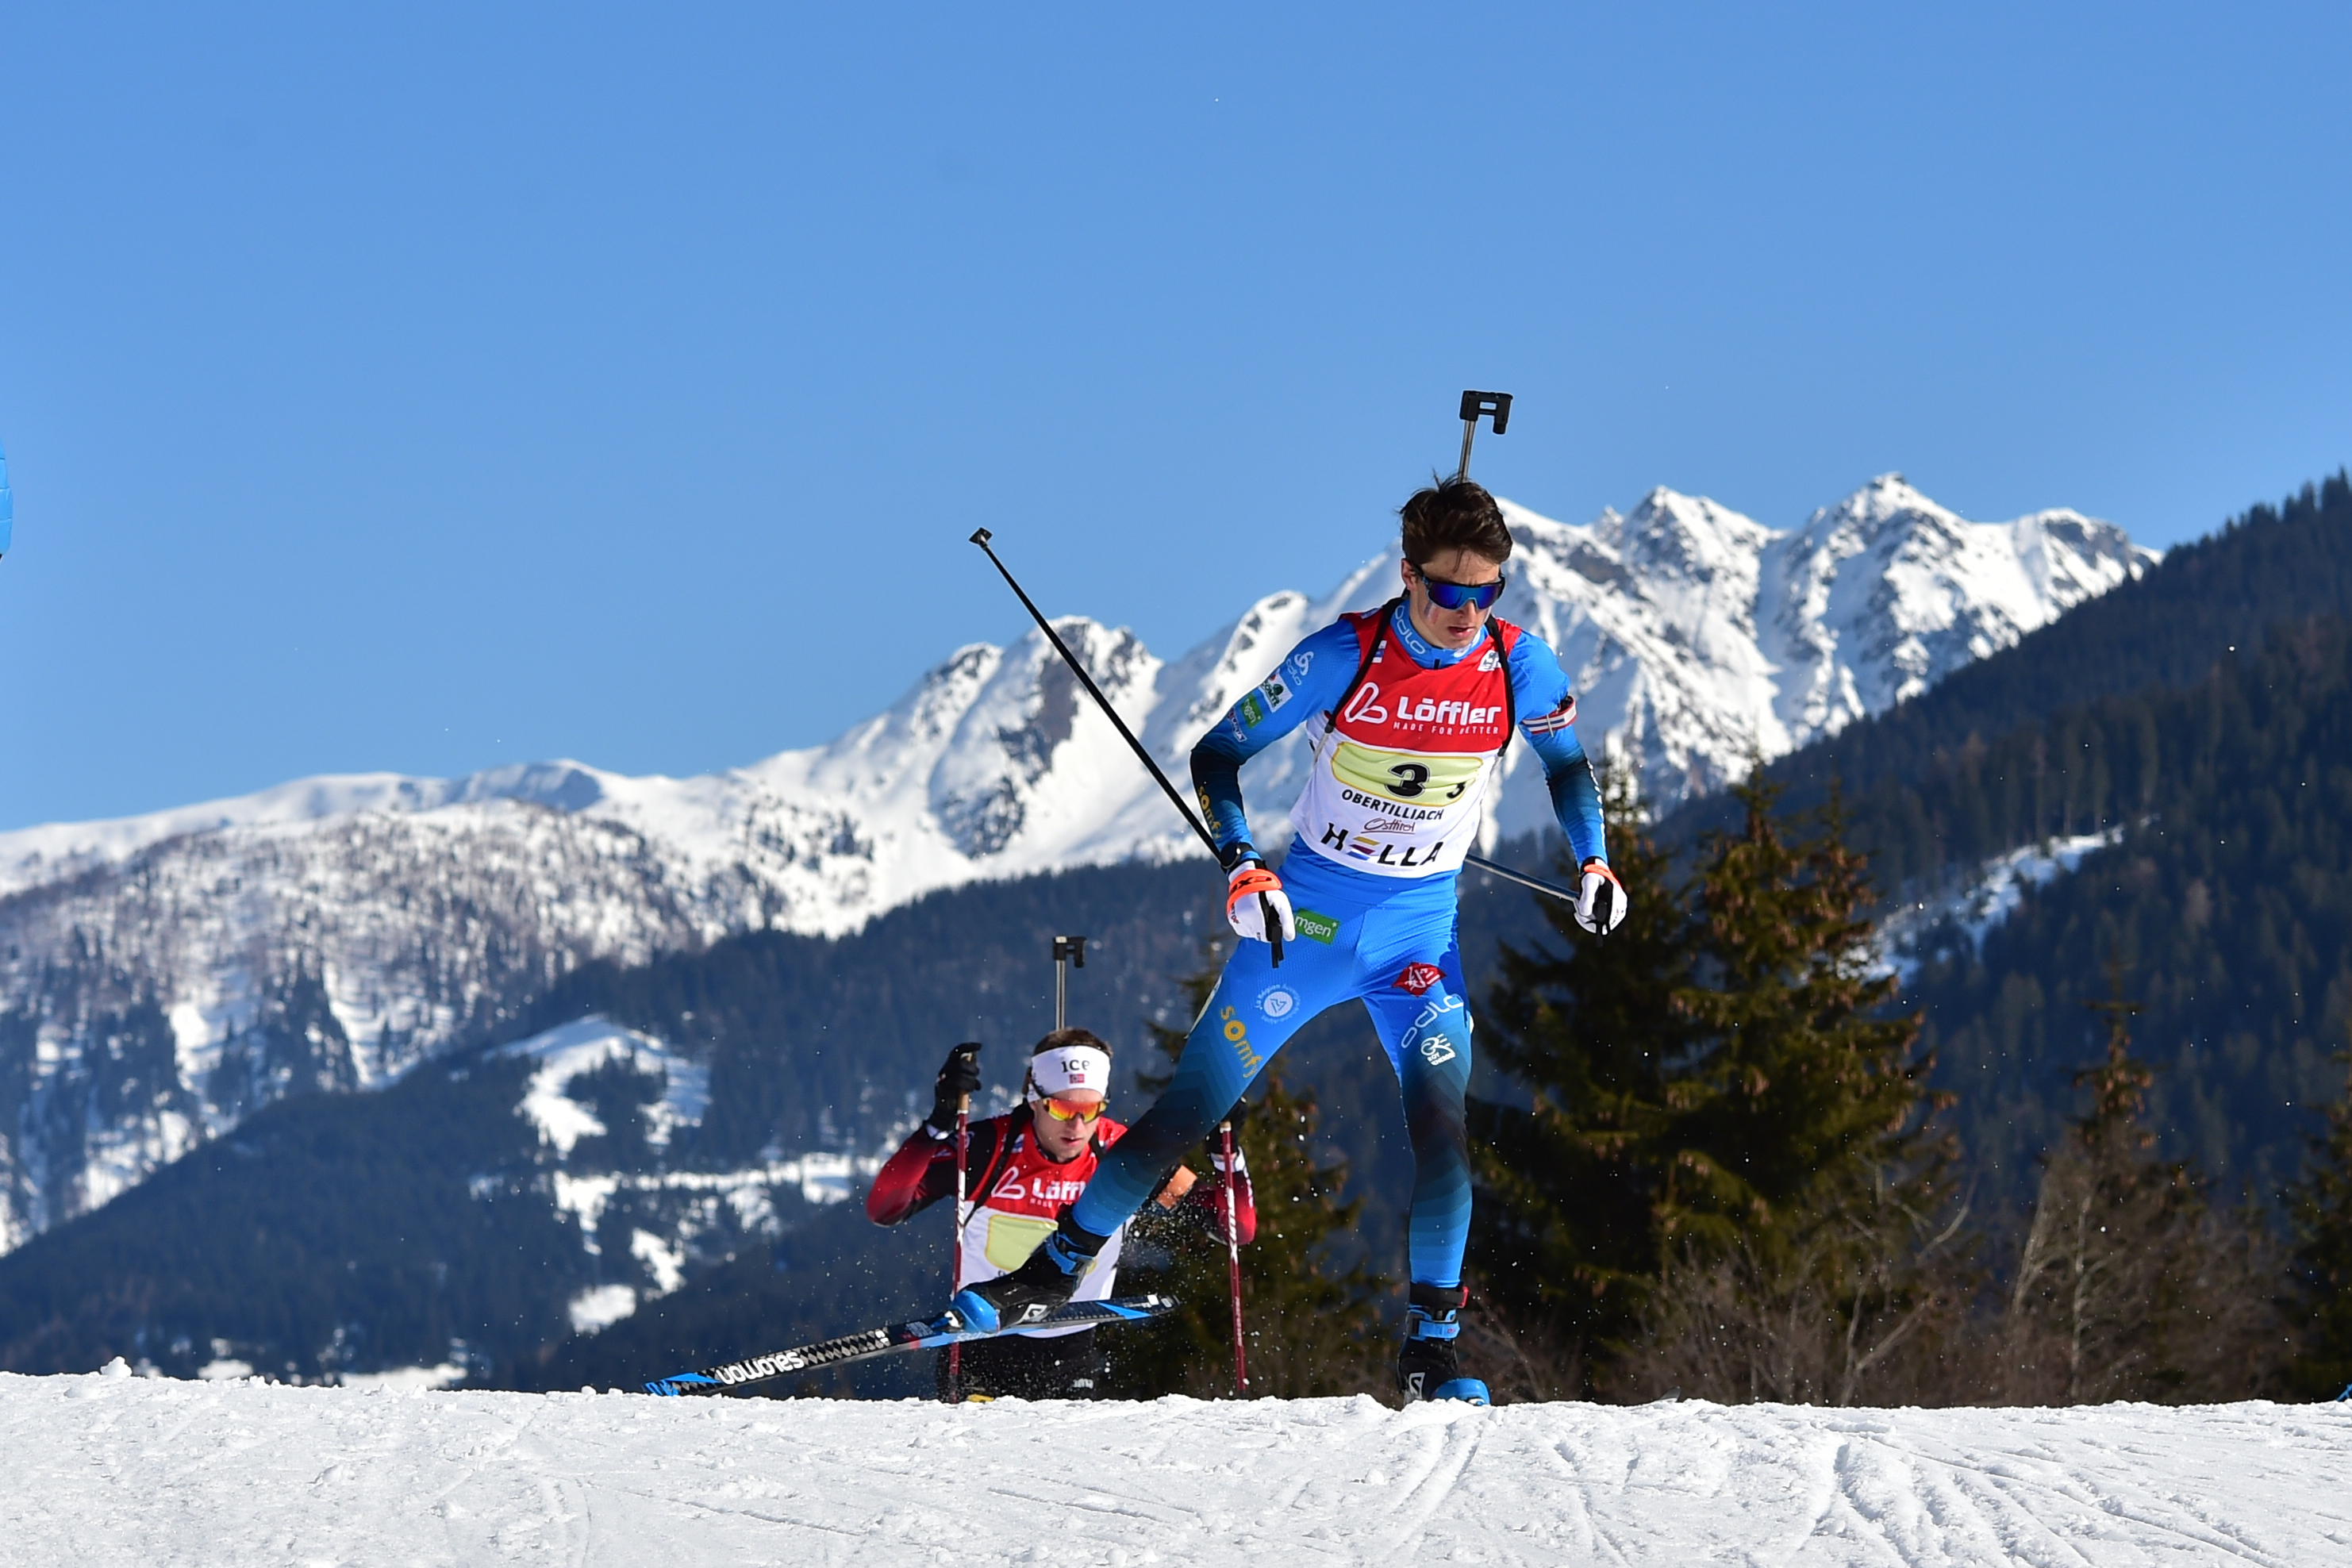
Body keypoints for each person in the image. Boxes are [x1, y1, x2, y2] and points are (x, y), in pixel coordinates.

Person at [954, 476, 1626, 1405]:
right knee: (1181, 1114)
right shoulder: (1342, 654)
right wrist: (1242, 862)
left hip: (1418, 940)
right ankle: (1047, 1274)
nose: (1467, 613)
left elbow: (1566, 765)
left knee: (1443, 1136)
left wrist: (1594, 861)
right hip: (1305, 927)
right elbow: (1215, 753)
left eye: (1488, 593)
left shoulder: (1522, 666)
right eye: (1447, 591)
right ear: (1407, 574)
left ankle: (1431, 1349)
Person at [867, 1028, 1257, 1400]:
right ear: (1033, 1098)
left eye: (1090, 1111)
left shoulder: (1123, 1154)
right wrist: (938, 1124)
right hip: (981, 1352)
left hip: (1072, 1354)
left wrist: (1227, 1157)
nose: (1076, 1125)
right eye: (1061, 1107)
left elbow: (1234, 1229)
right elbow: (886, 1209)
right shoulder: (989, 1146)